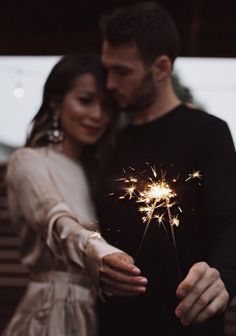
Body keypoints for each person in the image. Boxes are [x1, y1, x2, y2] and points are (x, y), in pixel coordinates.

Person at [95, 2, 236, 336]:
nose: (110, 83)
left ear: (160, 68)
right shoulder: (111, 140)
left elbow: (231, 220)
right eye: (107, 70)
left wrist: (224, 277)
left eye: (122, 71)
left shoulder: (208, 132)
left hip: (186, 324)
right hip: (113, 325)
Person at [2, 54, 132, 336]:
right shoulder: (28, 161)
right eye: (86, 100)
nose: (98, 115)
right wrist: (100, 253)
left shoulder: (96, 174)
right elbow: (57, 220)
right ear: (55, 101)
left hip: (95, 315)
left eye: (106, 105)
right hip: (52, 312)